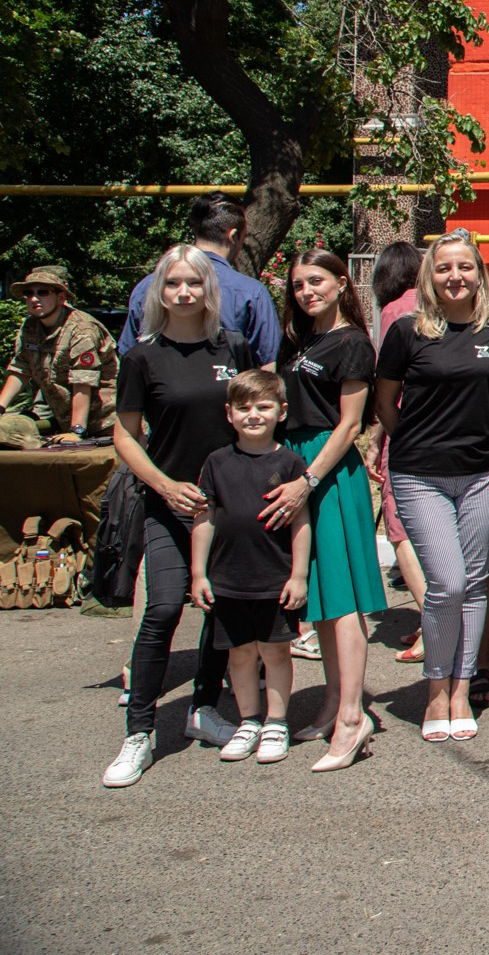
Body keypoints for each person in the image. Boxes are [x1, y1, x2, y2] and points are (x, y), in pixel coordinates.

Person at [104, 245, 260, 788]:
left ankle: (202, 708)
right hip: (169, 505)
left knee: (221, 610)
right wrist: (166, 487)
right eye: (173, 284)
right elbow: (125, 434)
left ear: (209, 289)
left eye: (194, 282)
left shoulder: (234, 347)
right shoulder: (143, 356)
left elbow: (258, 415)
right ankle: (139, 732)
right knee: (165, 608)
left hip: (228, 507)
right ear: (158, 291)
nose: (185, 292)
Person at [373, 231, 489, 742]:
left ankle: (460, 688)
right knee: (447, 585)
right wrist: (412, 443)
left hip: (481, 474)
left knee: (474, 584)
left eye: (465, 267)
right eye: (444, 268)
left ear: (480, 274)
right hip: (420, 476)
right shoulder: (407, 332)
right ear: (429, 276)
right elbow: (385, 404)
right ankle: (435, 689)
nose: (455, 277)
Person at [273, 249, 383, 772]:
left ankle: (352, 716)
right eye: (297, 285)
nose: (306, 292)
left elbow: (349, 424)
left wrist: (309, 479)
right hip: (295, 464)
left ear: (342, 283)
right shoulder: (300, 341)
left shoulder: (353, 343)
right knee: (318, 594)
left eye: (315, 281)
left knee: (342, 598)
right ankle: (331, 703)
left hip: (329, 472)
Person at [189, 370, 313, 765]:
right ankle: (249, 721)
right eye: (243, 408)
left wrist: (298, 575)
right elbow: (204, 518)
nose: (253, 415)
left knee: (275, 654)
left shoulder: (291, 463)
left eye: (263, 406)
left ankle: (277, 722)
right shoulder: (216, 462)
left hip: (274, 580)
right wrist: (198, 573)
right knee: (239, 656)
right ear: (229, 414)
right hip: (227, 581)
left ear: (281, 411)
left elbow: (301, 522)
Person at [118, 192, 281, 365]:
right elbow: (269, 366)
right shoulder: (250, 292)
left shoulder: (148, 285)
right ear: (233, 236)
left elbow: (128, 358)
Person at [365, 240, 428, 668]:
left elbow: (388, 380)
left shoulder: (394, 310)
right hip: (437, 429)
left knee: (400, 528)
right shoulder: (432, 302)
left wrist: (376, 436)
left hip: (403, 426)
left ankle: (434, 620)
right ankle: (431, 622)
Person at [0, 264, 117, 440]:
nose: (34, 298)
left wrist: (77, 430)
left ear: (60, 298)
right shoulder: (30, 327)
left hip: (107, 425)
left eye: (43, 292)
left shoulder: (81, 330)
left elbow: (83, 381)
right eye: (28, 293)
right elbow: (21, 368)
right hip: (67, 423)